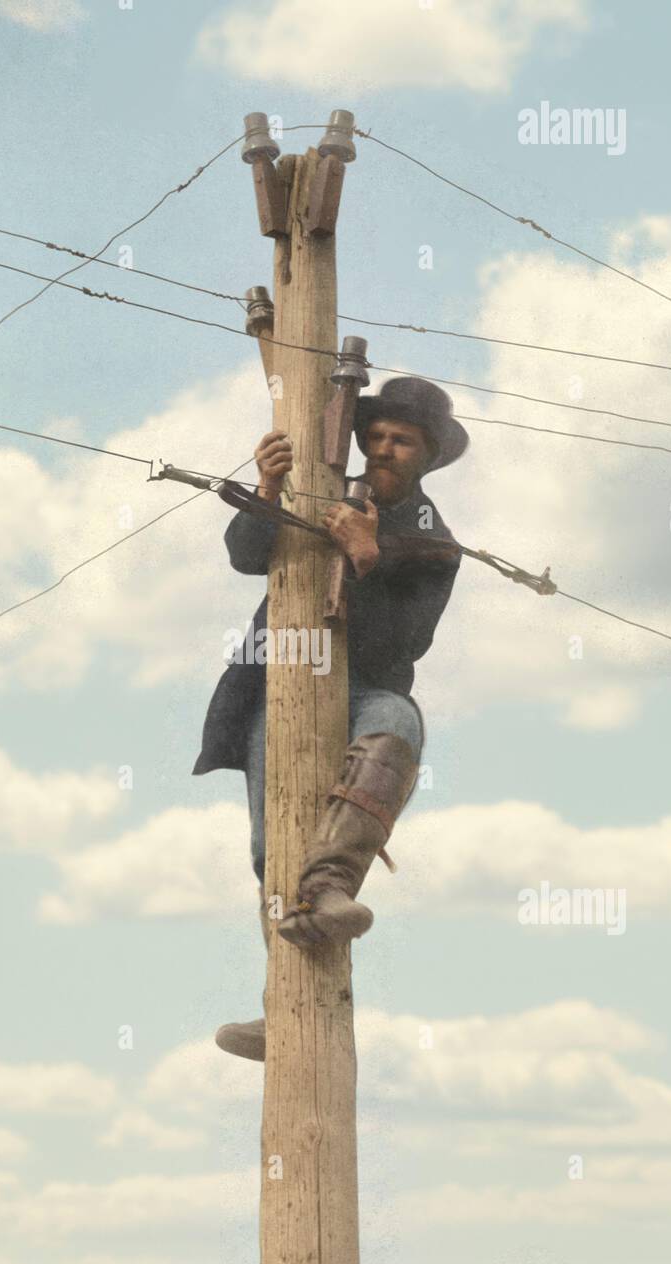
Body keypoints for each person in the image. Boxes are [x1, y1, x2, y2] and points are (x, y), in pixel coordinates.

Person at [192, 377, 468, 1060]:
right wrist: (266, 490)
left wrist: (368, 559)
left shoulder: (436, 544)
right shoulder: (323, 490)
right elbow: (246, 555)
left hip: (365, 686)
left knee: (397, 727)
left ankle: (331, 883)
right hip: (279, 685)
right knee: (269, 845)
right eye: (374, 436)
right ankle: (279, 1004)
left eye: (400, 440)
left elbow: (406, 646)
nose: (382, 449)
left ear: (426, 456)